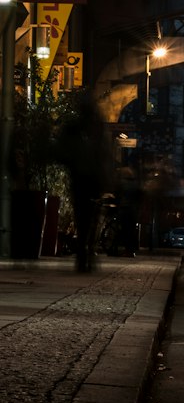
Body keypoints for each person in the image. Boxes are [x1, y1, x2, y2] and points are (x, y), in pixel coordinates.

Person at [55, 90, 115, 272]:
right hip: (92, 179)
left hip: (80, 178)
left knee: (82, 217)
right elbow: (104, 153)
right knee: (91, 218)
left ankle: (83, 252)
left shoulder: (74, 127)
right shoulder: (96, 127)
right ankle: (87, 250)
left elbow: (62, 149)